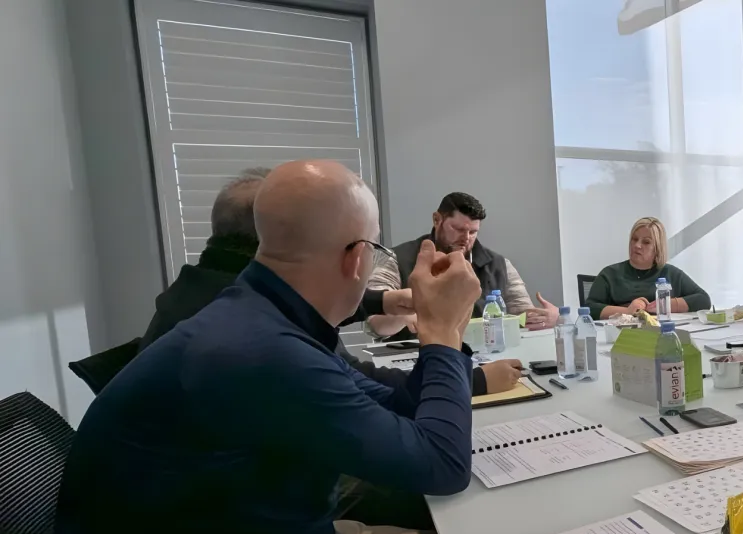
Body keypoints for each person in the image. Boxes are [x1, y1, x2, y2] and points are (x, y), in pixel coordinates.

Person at [52, 160, 480, 534]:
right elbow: (443, 464)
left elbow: (399, 404)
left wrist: (440, 339)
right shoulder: (257, 351)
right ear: (358, 258)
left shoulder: (259, 315)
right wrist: (443, 330)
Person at [140, 168, 522, 397]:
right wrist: (450, 350)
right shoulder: (259, 332)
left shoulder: (203, 294)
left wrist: (383, 301)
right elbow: (434, 463)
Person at [366, 191, 559, 336]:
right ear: (436, 220)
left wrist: (549, 318)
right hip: (414, 358)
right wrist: (404, 317)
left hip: (486, 354)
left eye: (473, 232)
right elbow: (376, 322)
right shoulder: (396, 258)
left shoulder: (499, 264)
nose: (466, 238)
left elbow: (522, 315)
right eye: (458, 229)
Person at [585, 217, 711, 319]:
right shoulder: (609, 274)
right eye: (634, 239)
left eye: (646, 242)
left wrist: (664, 305)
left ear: (657, 248)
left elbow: (703, 300)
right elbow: (589, 309)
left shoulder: (671, 273)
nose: (637, 245)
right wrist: (628, 311)